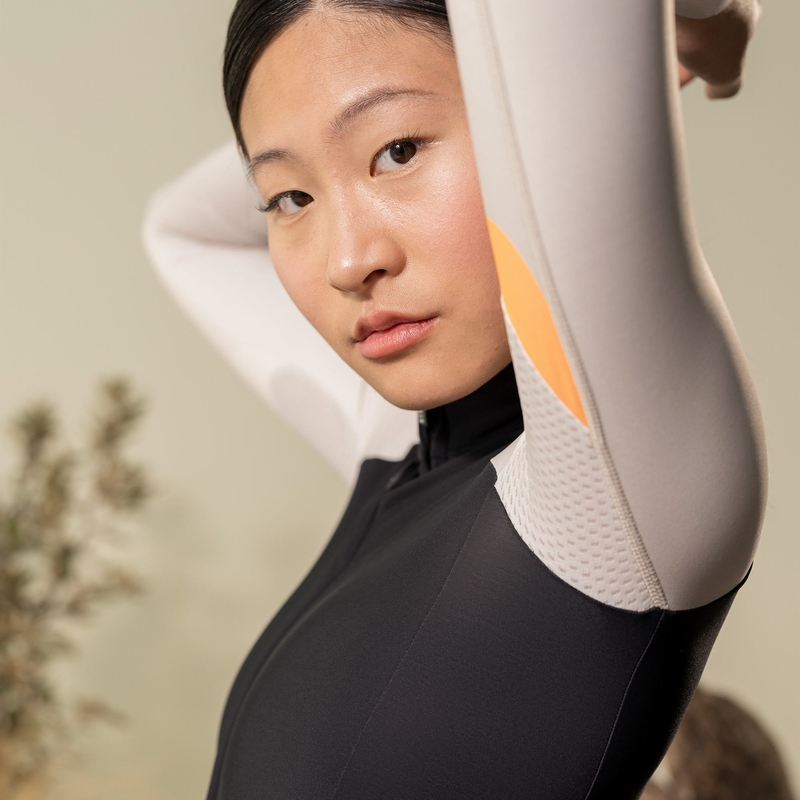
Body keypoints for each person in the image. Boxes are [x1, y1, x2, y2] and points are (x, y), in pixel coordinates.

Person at [143, 1, 767, 797]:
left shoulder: (613, 496)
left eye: (397, 150)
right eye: (291, 199)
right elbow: (181, 231)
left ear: (515, 129)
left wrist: (691, 22)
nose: (347, 262)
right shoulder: (400, 449)